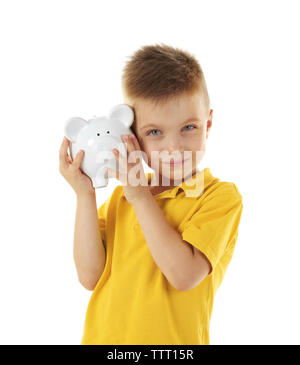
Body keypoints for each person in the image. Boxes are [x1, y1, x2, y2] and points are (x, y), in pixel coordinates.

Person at [59, 43, 243, 345]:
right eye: (155, 132)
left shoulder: (220, 197)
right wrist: (85, 195)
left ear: (208, 123)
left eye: (188, 127)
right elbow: (90, 276)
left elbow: (184, 276)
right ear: (131, 137)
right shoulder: (122, 198)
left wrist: (141, 197)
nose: (174, 147)